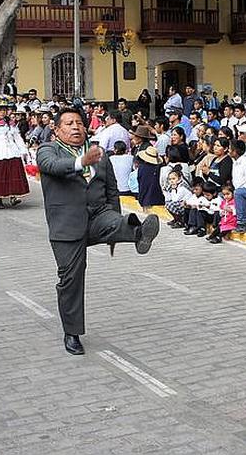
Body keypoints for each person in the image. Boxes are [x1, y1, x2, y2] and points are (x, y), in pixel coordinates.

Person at [36, 108, 160, 355]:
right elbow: (53, 166)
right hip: (66, 227)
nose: (76, 127)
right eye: (69, 123)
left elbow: (111, 190)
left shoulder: (100, 154)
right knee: (71, 279)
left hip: (98, 217)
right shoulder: (48, 150)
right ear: (57, 129)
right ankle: (72, 333)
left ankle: (137, 233)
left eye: (79, 123)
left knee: (118, 221)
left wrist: (114, 229)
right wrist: (82, 161)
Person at [134, 146, 164, 210]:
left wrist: (141, 199)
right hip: (159, 199)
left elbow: (142, 185)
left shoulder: (142, 168)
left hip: (146, 200)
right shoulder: (160, 168)